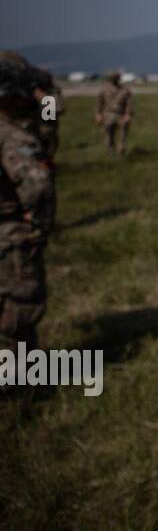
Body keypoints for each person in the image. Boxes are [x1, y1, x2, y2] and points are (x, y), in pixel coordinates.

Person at [0, 56, 54, 350]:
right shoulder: (11, 135)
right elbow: (38, 187)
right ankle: (14, 382)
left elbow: (51, 120)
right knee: (19, 305)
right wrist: (37, 228)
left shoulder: (48, 100)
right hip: (11, 233)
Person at [95, 70, 133, 157]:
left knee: (123, 135)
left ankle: (121, 150)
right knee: (109, 135)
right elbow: (99, 103)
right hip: (108, 115)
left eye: (115, 78)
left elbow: (129, 104)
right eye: (112, 78)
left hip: (121, 115)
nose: (114, 79)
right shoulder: (104, 90)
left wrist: (128, 114)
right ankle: (110, 152)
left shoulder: (125, 90)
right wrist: (98, 114)